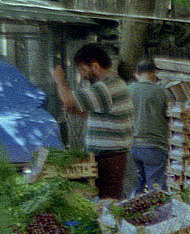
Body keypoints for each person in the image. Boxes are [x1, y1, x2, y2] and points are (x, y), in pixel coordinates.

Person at [51, 44, 132, 199]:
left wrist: (60, 80)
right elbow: (90, 114)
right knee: (103, 202)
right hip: (108, 156)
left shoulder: (106, 87)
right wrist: (75, 110)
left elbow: (68, 100)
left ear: (94, 66)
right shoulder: (112, 85)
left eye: (82, 69)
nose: (81, 75)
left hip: (109, 158)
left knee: (107, 203)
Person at [127, 59, 170, 195]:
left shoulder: (127, 91)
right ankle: (156, 215)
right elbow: (171, 118)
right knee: (156, 191)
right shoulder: (162, 92)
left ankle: (130, 214)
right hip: (155, 146)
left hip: (132, 145)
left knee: (135, 189)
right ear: (154, 73)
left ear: (136, 74)